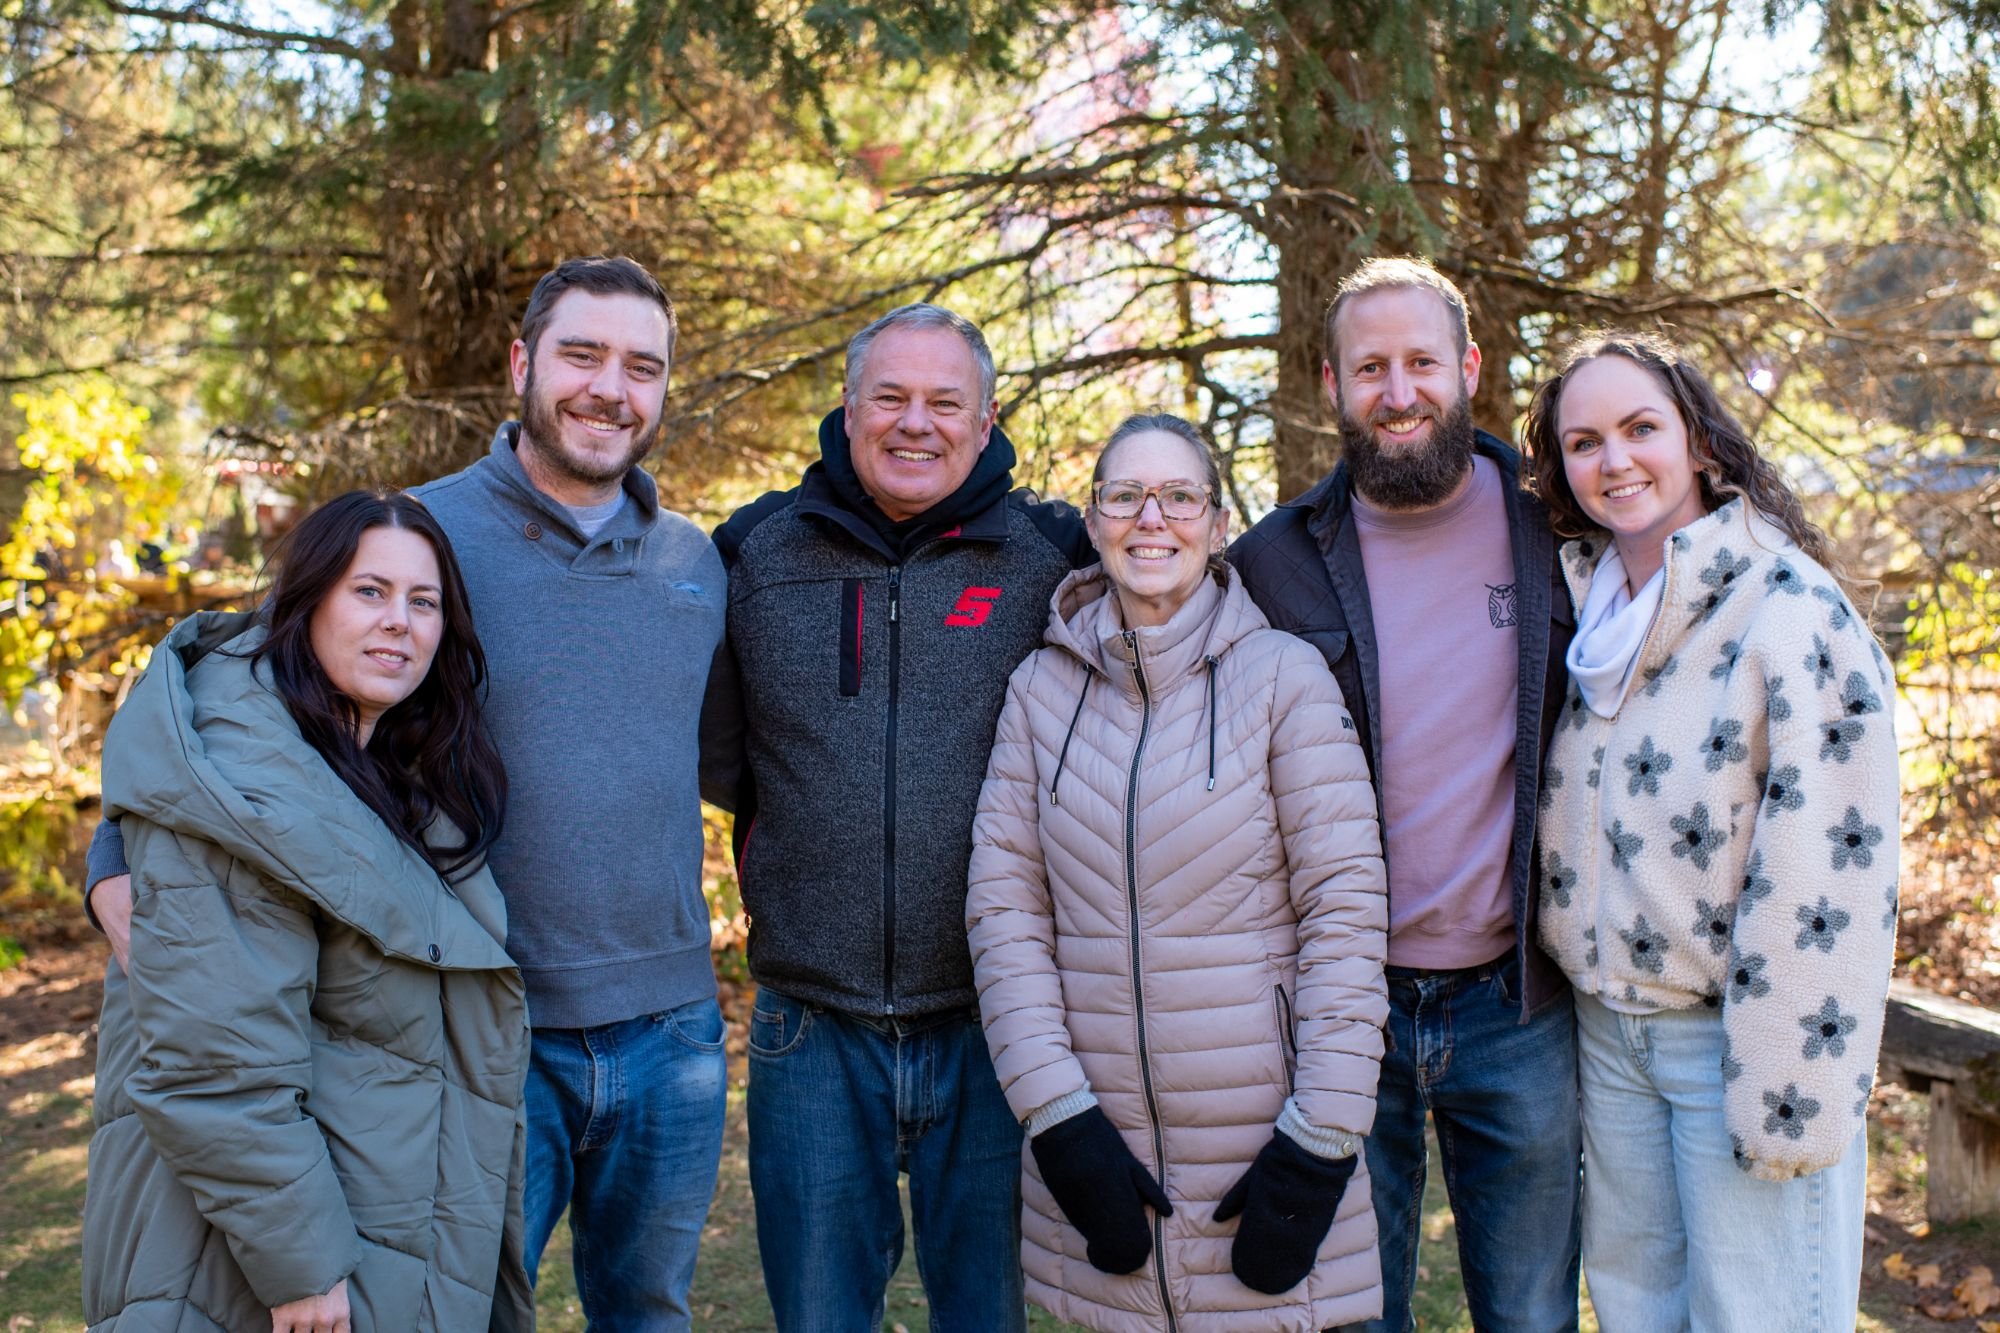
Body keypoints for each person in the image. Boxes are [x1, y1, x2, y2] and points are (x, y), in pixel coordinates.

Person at [88, 256, 729, 1329]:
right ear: (522, 364)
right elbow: (232, 699)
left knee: (650, 1312)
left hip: (671, 1032)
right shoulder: (412, 540)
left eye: (642, 366)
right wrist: (114, 851)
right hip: (476, 1033)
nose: (609, 389)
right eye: (581, 354)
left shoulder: (695, 567)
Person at [699, 302, 1093, 1330]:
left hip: (993, 1022)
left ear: (985, 418)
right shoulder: (753, 551)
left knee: (988, 1316)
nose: (915, 423)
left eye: (944, 402)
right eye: (890, 397)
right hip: (810, 1028)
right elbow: (716, 752)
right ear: (848, 407)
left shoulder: (1054, 557)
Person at [965, 413, 1390, 1330]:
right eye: (1125, 495)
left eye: (1179, 496)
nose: (1151, 518)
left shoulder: (1283, 679)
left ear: (1218, 521)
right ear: (1093, 519)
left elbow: (1347, 912)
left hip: (1265, 1158)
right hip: (1102, 1161)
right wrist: (1056, 1115)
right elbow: (1005, 916)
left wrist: (1321, 1139)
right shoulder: (1039, 692)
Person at [1228, 256, 1582, 1332]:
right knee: (1350, 1315)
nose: (1397, 391)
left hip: (1516, 1003)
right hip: (1344, 1008)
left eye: (1421, 362)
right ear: (1330, 384)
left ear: (1467, 369)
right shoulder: (1272, 563)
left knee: (1529, 1312)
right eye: (1369, 367)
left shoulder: (1559, 532)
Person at [83, 490, 531, 1331]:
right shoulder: (244, 778)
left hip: (372, 1227)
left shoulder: (393, 768)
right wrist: (305, 1268)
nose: (399, 620)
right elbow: (218, 1065)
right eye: (370, 591)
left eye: (423, 601)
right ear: (307, 598)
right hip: (254, 1267)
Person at [1522, 331, 1898, 1329]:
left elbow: (1833, 864)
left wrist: (1789, 1088)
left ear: (1696, 440)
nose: (1614, 459)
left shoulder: (1789, 609)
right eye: (1584, 441)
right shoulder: (1590, 608)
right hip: (1609, 1036)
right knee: (1636, 1311)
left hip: (1737, 1045)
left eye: (1640, 427)